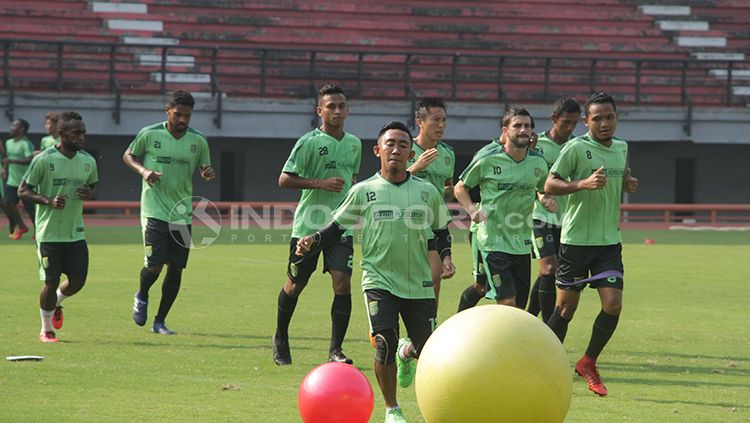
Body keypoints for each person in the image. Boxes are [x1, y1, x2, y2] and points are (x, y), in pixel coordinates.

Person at [295, 121, 451, 423]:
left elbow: (441, 231)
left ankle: (407, 352)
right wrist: (311, 241)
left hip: (418, 283)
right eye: (390, 143)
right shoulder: (363, 191)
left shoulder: (427, 192)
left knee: (428, 351)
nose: (396, 149)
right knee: (383, 342)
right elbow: (335, 228)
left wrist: (446, 258)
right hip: (378, 279)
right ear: (377, 150)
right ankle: (392, 409)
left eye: (403, 145)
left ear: (410, 153)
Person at [544, 92, 639, 397]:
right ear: (586, 122)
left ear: (616, 118)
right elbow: (549, 184)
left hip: (609, 242)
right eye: (596, 118)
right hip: (575, 242)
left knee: (613, 305)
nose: (604, 123)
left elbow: (620, 175)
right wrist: (581, 184)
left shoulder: (622, 147)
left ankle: (588, 362)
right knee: (566, 310)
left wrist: (627, 182)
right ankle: (542, 360)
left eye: (609, 117)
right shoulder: (575, 148)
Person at [273, 84, 362, 366]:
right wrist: (319, 183)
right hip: (308, 228)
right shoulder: (308, 142)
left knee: (342, 283)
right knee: (294, 285)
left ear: (348, 110)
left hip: (341, 227)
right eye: (331, 106)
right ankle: (280, 337)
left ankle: (335, 350)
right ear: (319, 111)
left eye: (342, 106)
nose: (337, 111)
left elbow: (353, 180)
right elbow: (284, 179)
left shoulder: (354, 143)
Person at [122, 90, 214, 335]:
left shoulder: (198, 141)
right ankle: (142, 295)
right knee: (154, 267)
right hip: (154, 210)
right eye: (178, 114)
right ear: (167, 110)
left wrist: (207, 173)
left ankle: (160, 321)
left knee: (176, 268)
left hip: (182, 213)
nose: (183, 120)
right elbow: (128, 155)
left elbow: (205, 167)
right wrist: (143, 171)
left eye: (187, 115)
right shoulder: (150, 134)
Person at [454, 108, 547, 311]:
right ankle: (460, 331)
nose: (524, 130)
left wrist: (545, 198)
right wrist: (471, 210)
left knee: (518, 307)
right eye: (518, 126)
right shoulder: (487, 157)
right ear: (505, 131)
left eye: (528, 126)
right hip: (491, 240)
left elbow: (541, 188)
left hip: (521, 242)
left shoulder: (538, 161)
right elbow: (460, 187)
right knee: (507, 302)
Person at [18, 111, 98, 343]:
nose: (81, 137)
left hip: (75, 233)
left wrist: (89, 193)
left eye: (83, 132)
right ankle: (46, 330)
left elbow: (92, 185)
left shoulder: (88, 161)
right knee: (50, 281)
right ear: (61, 133)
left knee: (78, 281)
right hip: (49, 233)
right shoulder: (43, 159)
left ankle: (57, 303)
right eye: (76, 132)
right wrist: (48, 201)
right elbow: (23, 190)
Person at [527, 98, 581, 323]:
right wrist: (541, 195)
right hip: (540, 217)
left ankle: (527, 317)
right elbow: (527, 176)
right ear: (554, 119)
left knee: (548, 273)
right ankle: (549, 327)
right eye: (565, 122)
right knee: (549, 267)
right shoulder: (537, 144)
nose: (569, 128)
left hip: (567, 220)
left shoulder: (577, 146)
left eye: (574, 123)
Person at [406, 97, 455, 307]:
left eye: (444, 120)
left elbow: (446, 189)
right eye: (435, 120)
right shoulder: (404, 148)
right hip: (406, 223)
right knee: (406, 283)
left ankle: (428, 333)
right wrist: (416, 167)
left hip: (434, 224)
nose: (441, 125)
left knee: (434, 281)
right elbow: (388, 182)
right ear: (420, 122)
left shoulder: (448, 154)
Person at [3, 118, 35, 240]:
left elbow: (30, 159)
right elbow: (7, 159)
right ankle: (21, 226)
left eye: (14, 126)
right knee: (7, 204)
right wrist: (5, 170)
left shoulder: (26, 144)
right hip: (11, 180)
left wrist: (12, 161)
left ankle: (38, 230)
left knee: (30, 209)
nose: (11, 128)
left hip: (25, 181)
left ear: (21, 129)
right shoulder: (8, 142)